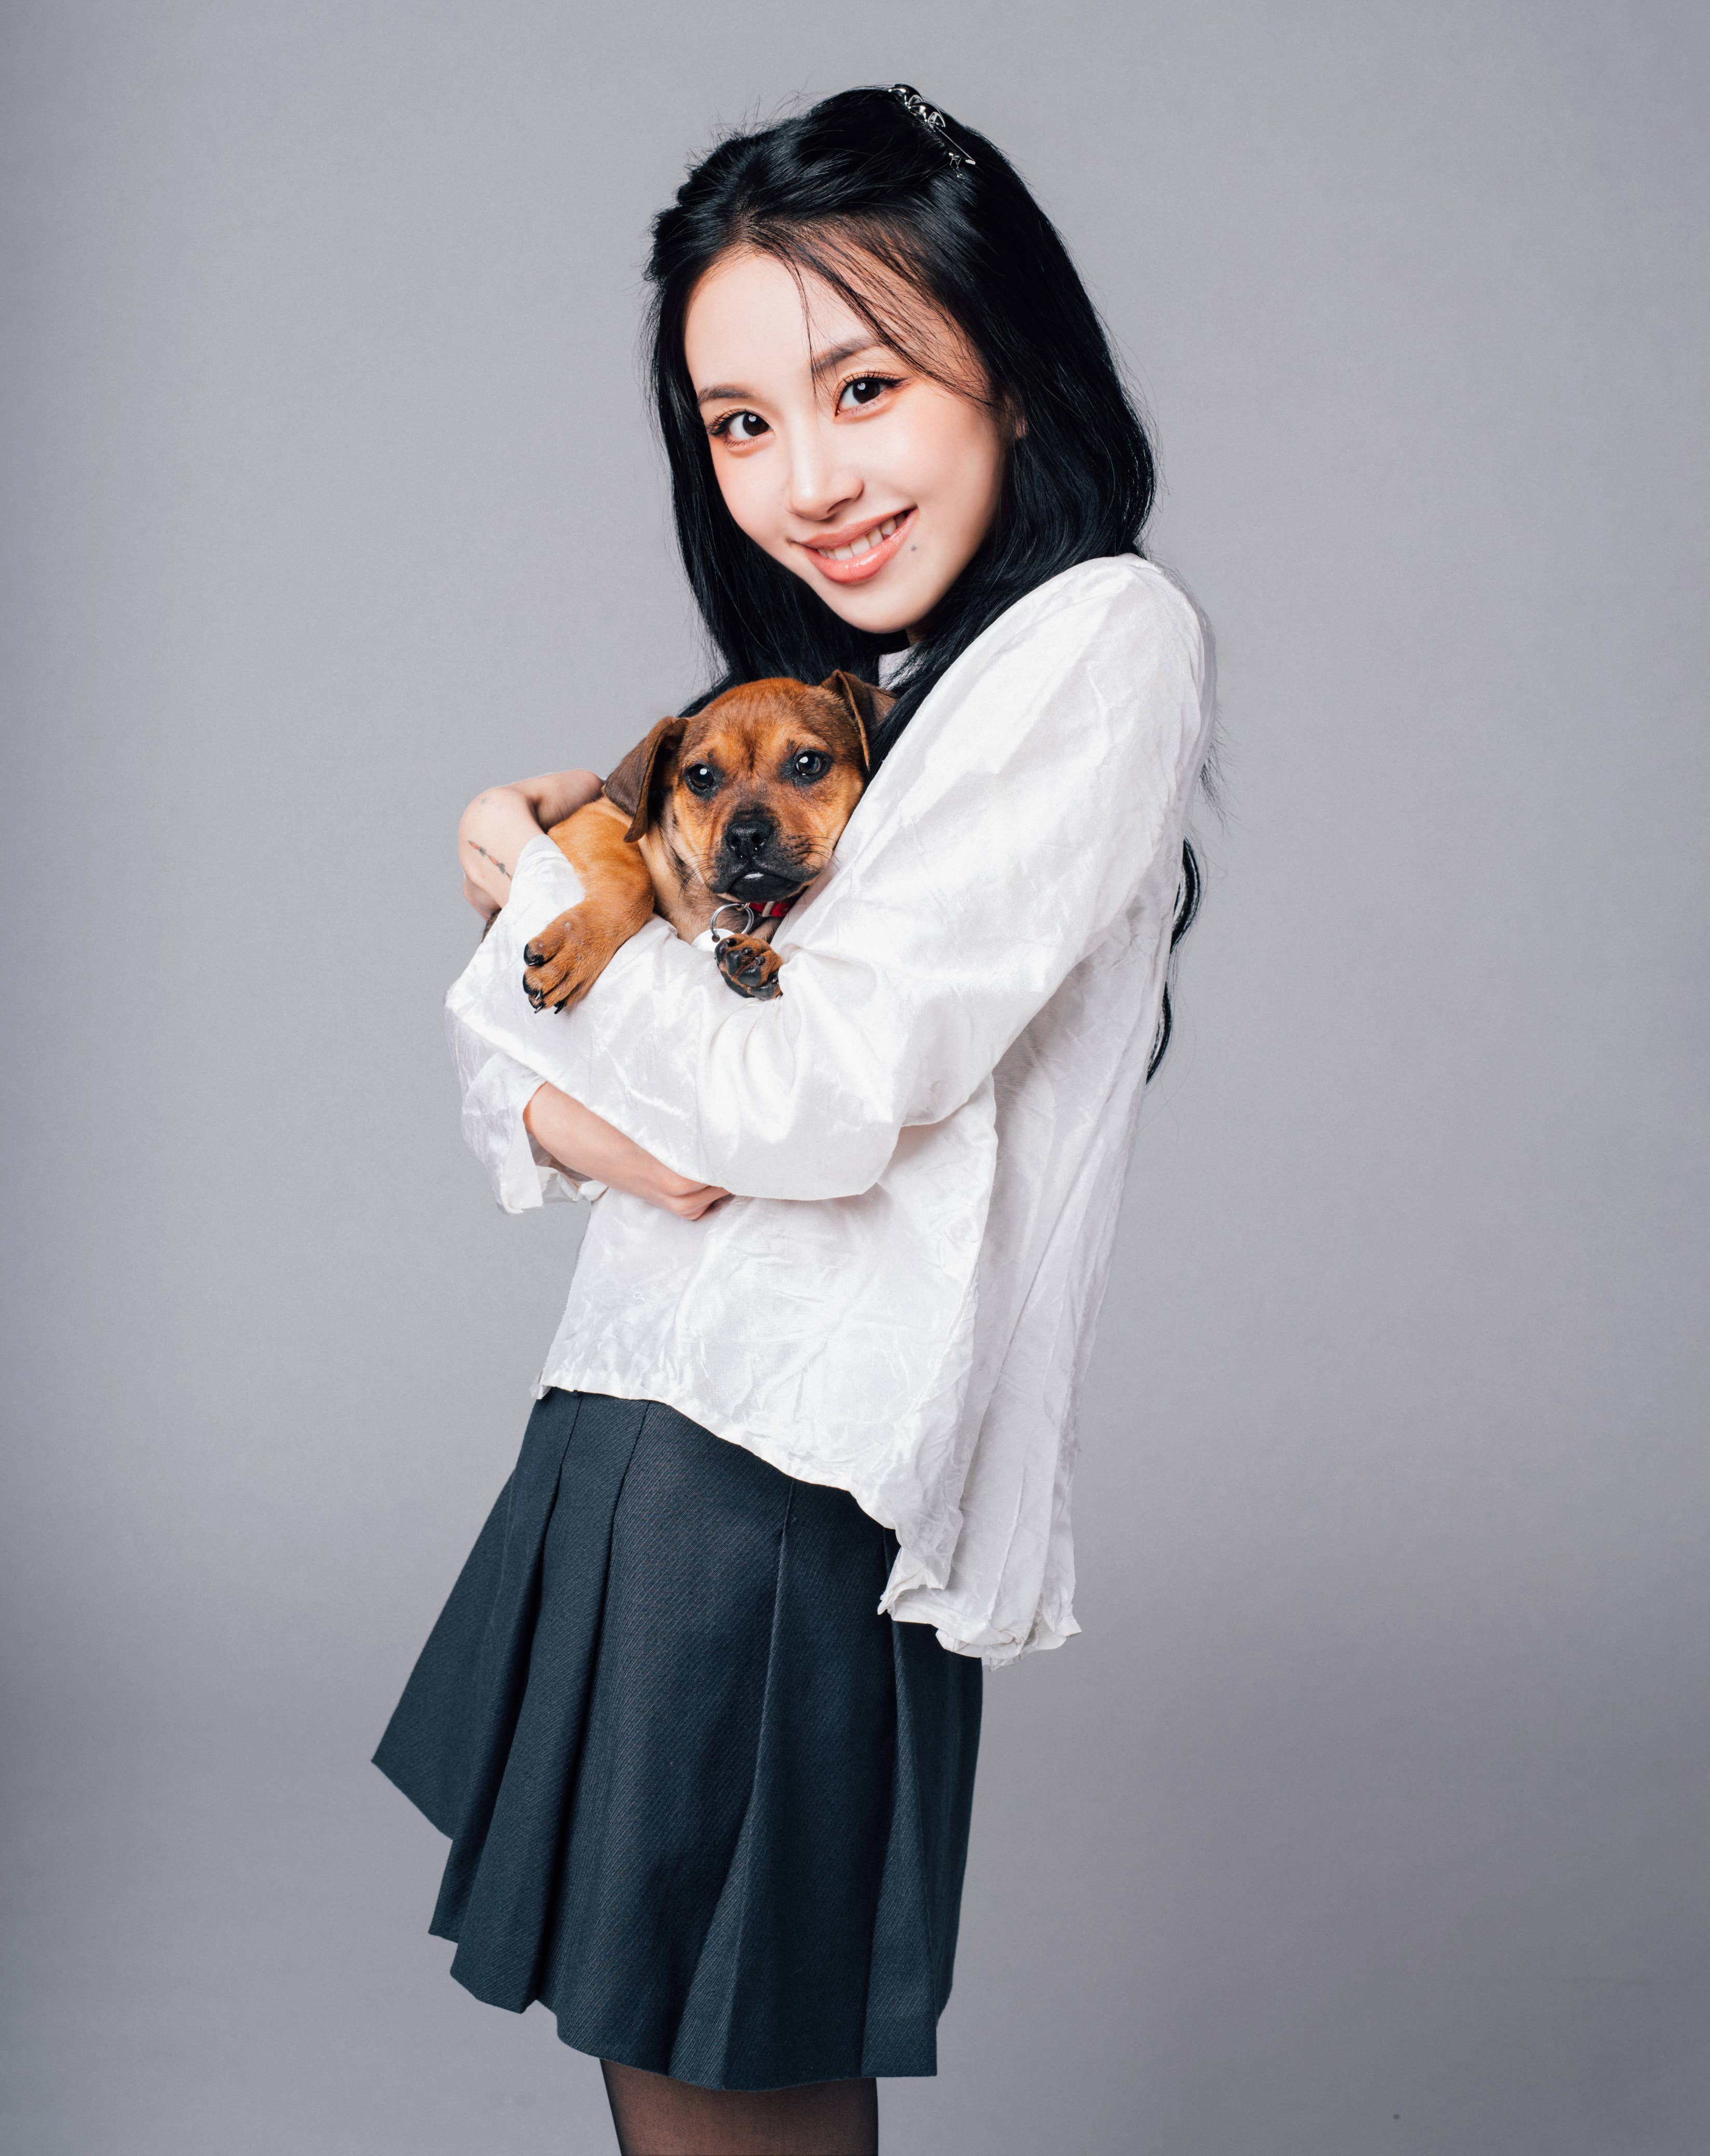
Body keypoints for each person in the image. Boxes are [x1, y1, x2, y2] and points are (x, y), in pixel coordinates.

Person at [374, 83, 1213, 2156]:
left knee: (734, 2077)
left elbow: (804, 1102)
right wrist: (577, 1091)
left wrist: (551, 869)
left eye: (862, 383)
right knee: (670, 2059)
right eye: (740, 422)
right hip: (646, 1418)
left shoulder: (1093, 644)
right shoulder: (864, 692)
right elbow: (577, 1087)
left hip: (786, 1479)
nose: (804, 477)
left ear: (1005, 358)